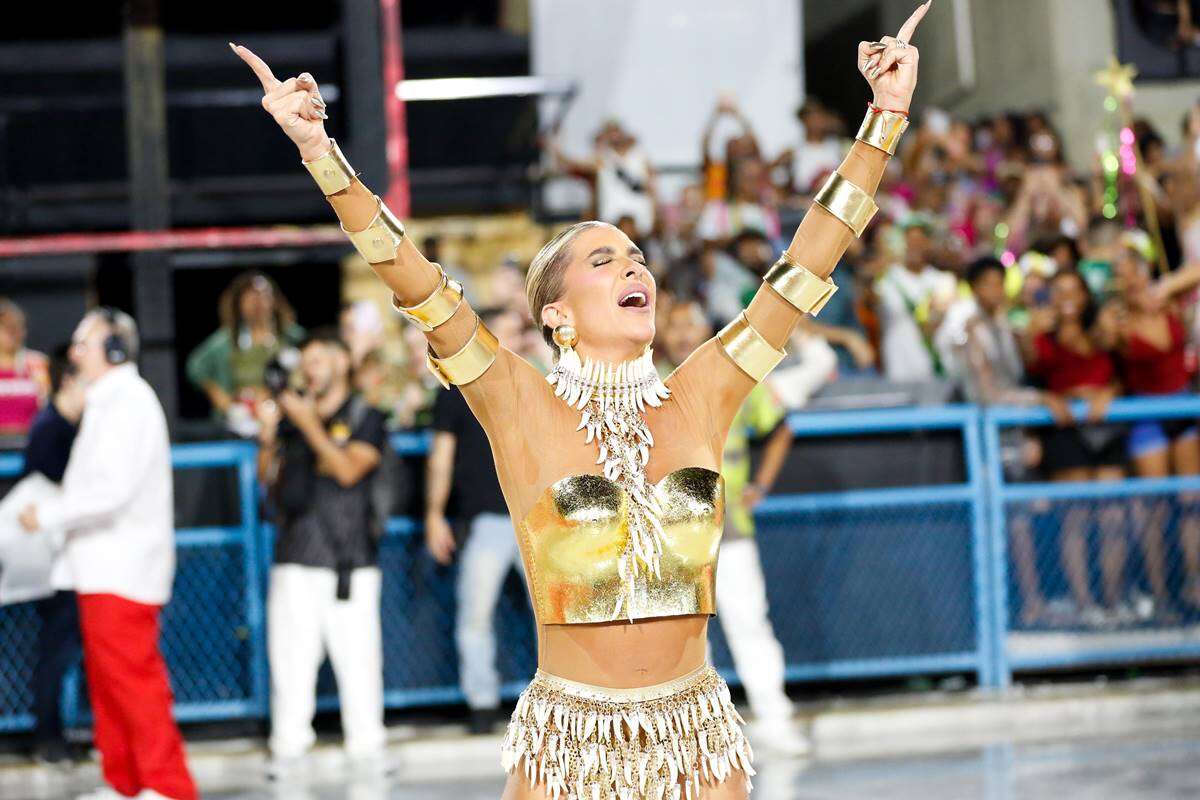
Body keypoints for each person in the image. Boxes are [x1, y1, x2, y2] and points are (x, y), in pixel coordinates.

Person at [233, 7, 927, 795]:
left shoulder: (701, 391)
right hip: (570, 751)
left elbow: (803, 269)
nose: (636, 269)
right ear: (555, 313)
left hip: (698, 744)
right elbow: (412, 277)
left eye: (636, 256)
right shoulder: (515, 400)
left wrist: (885, 119)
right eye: (605, 260)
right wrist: (320, 151)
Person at [18, 308, 197, 800]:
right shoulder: (106, 403)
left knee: (134, 683)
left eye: (84, 343)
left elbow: (113, 490)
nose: (74, 354)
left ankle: (166, 784)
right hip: (99, 566)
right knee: (108, 684)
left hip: (123, 566)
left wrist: (50, 515)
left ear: (115, 348)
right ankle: (125, 782)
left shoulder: (128, 403)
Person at [659, 299, 811, 758]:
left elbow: (781, 428)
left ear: (707, 327)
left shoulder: (737, 380)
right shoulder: (649, 383)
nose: (684, 333)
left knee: (749, 622)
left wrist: (761, 485)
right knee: (684, 635)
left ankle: (774, 718)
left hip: (730, 526)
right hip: (669, 534)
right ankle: (694, 736)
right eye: (675, 324)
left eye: (691, 322)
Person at [255, 328, 389, 776]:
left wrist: (309, 423)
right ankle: (288, 750)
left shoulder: (366, 416)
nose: (307, 370)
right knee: (290, 665)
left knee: (359, 666)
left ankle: (367, 750)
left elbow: (349, 470)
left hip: (350, 561)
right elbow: (266, 482)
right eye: (304, 362)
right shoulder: (293, 423)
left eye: (317, 360)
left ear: (342, 363)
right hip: (294, 556)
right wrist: (270, 435)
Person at [426, 308, 528, 735]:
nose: (516, 338)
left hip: (537, 515)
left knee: (560, 617)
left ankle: (570, 701)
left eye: (520, 332)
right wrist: (434, 515)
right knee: (475, 614)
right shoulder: (457, 389)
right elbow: (441, 456)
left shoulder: (536, 383)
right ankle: (481, 704)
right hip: (486, 518)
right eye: (507, 330)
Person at [1022, 270, 1131, 625]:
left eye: (1074, 290)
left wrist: (1107, 393)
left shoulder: (1101, 332)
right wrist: (1052, 397)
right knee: (1075, 520)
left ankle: (1113, 600)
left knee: (1113, 515)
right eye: (1059, 291)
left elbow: (1122, 375)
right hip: (1064, 431)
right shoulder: (1041, 335)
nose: (1067, 297)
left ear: (1085, 295)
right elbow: (1030, 376)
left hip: (1105, 430)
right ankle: (1085, 604)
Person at [24, 350, 86, 766]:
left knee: (67, 648)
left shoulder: (68, 426)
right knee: (57, 649)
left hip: (68, 551)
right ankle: (47, 737)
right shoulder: (51, 428)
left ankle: (55, 733)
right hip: (51, 554)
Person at [186, 271, 305, 437]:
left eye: (264, 297)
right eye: (251, 298)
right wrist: (223, 401)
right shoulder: (226, 340)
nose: (258, 304)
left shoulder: (291, 337)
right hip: (240, 419)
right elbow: (196, 368)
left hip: (283, 418)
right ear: (239, 303)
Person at [875, 218, 957, 381]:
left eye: (920, 240)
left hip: (936, 368)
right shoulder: (885, 281)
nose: (915, 246)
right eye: (910, 240)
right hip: (899, 367)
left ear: (929, 243)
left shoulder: (943, 281)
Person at [0, 298, 50, 437]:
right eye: (5, 325)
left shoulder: (39, 364)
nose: (11, 331)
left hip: (29, 444)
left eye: (16, 326)